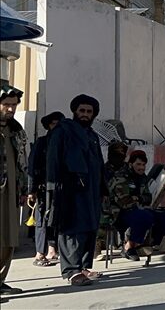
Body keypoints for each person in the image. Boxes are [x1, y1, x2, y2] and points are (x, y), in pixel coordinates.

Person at [46, 94, 107, 286]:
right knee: (72, 228)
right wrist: (53, 187)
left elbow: (99, 163)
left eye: (89, 112)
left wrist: (103, 188)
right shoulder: (63, 131)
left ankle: (83, 266)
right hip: (70, 189)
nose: (85, 114)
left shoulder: (92, 135)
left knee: (89, 227)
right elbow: (53, 161)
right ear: (74, 111)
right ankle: (71, 271)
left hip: (91, 191)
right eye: (82, 111)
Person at [109, 151, 165, 260]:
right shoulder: (121, 177)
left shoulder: (142, 177)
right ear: (130, 164)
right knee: (144, 217)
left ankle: (147, 243)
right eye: (138, 164)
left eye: (143, 165)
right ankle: (128, 247)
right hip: (118, 213)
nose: (141, 168)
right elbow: (125, 202)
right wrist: (139, 199)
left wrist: (137, 198)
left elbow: (148, 198)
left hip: (136, 209)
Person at [27, 111, 65, 268]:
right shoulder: (42, 143)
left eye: (59, 124)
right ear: (48, 125)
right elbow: (32, 166)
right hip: (43, 189)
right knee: (41, 221)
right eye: (53, 124)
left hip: (60, 189)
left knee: (56, 220)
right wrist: (31, 189)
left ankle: (52, 251)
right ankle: (39, 254)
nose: (56, 127)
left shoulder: (65, 143)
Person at [1, 86, 27, 295]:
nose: (10, 109)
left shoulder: (16, 130)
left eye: (13, 105)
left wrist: (25, 188)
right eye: (6, 105)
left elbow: (22, 162)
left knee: (10, 235)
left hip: (11, 189)